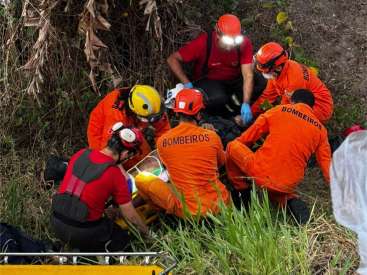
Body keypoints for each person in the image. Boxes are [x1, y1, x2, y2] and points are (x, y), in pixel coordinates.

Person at [226, 89, 331, 224]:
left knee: (232, 146)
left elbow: (247, 138)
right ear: (311, 107)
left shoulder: (279, 110)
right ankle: (289, 201)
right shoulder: (321, 130)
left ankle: (243, 194)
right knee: (278, 188)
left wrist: (231, 156)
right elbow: (327, 166)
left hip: (261, 171)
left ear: (292, 101)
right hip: (288, 183)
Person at [51, 123, 149, 251]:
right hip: (81, 232)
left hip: (55, 222)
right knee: (122, 238)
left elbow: (83, 190)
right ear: (125, 153)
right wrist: (148, 235)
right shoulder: (115, 174)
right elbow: (130, 216)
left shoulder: (81, 153)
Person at [135, 88, 230, 217]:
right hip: (220, 203)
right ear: (199, 114)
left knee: (141, 178)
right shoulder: (211, 136)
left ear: (176, 113)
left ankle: (160, 213)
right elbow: (221, 162)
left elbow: (169, 169)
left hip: (191, 211)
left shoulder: (162, 142)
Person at [167, 14, 266, 123]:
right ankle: (223, 119)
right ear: (218, 34)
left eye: (235, 41)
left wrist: (246, 103)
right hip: (209, 81)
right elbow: (172, 59)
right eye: (228, 40)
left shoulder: (243, 43)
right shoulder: (203, 43)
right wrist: (187, 83)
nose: (232, 46)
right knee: (219, 98)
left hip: (234, 79)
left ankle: (242, 111)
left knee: (260, 83)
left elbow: (247, 74)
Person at [87, 84, 171, 169]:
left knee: (147, 158)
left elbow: (164, 129)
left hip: (130, 121)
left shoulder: (151, 103)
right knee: (106, 163)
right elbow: (111, 151)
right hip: (100, 135)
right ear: (136, 113)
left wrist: (167, 152)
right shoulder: (116, 117)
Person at [252, 42, 333, 124]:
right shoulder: (277, 72)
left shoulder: (293, 81)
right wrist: (251, 112)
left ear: (279, 68)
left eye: (266, 72)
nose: (265, 75)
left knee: (289, 122)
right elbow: (267, 96)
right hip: (303, 100)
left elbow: (284, 110)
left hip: (320, 108)